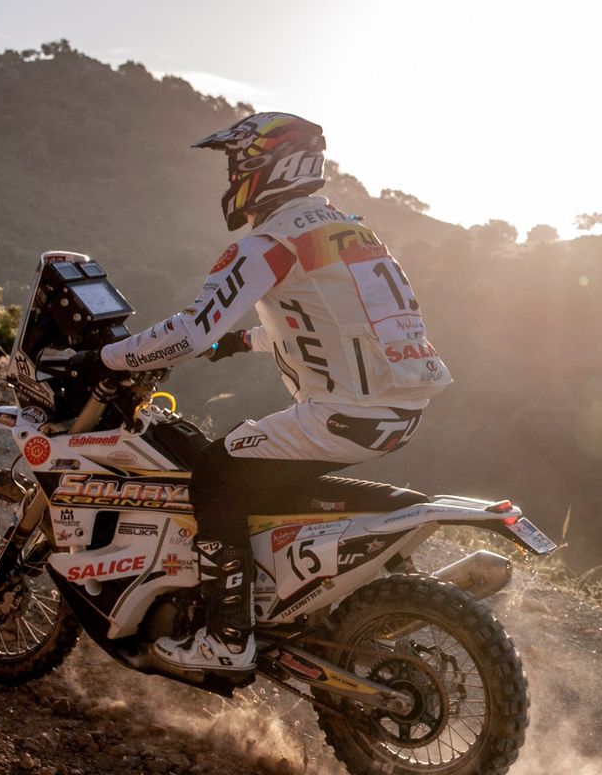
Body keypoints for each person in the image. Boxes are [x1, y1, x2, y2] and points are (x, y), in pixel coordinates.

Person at [94, 112, 451, 674]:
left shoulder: (272, 242)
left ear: (268, 168)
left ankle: (228, 637)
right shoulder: (350, 230)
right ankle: (302, 589)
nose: (232, 177)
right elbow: (334, 321)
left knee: (216, 473)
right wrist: (243, 342)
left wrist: (109, 357)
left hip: (344, 415)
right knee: (264, 476)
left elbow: (191, 329)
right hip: (400, 409)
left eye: (239, 164)